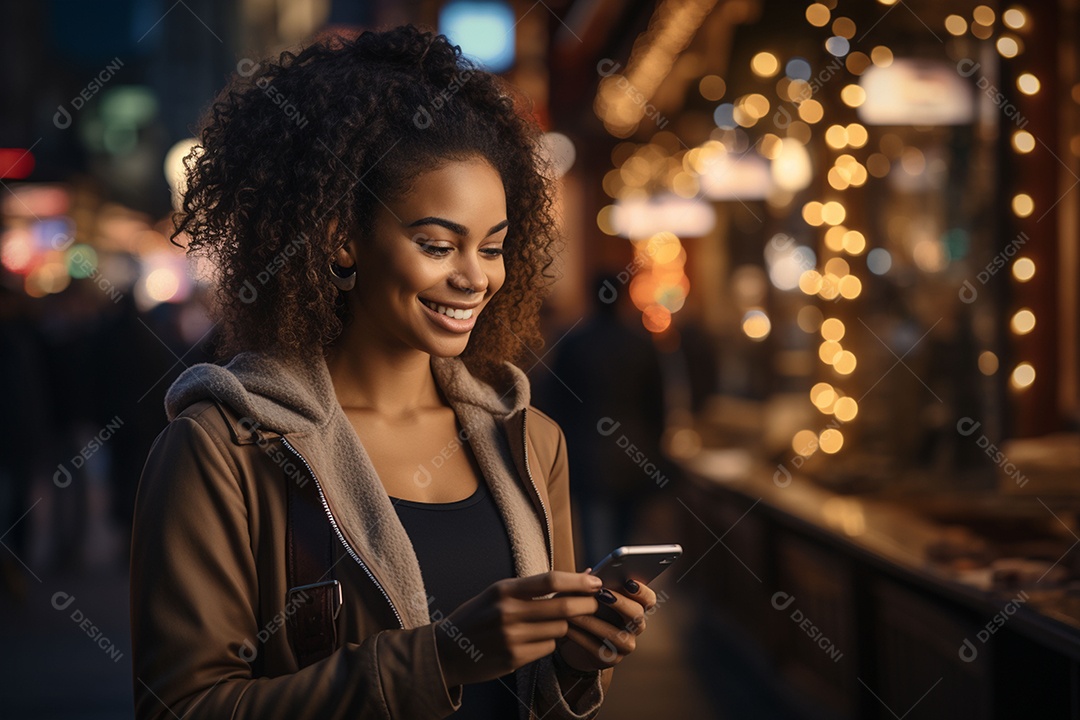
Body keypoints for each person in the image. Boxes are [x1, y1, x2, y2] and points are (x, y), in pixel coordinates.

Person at [129, 26, 658, 720]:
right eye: (438, 244)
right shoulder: (220, 450)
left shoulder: (530, 442)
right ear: (340, 239)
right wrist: (441, 660)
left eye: (493, 247)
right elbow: (182, 707)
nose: (475, 278)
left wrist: (578, 660)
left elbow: (534, 698)